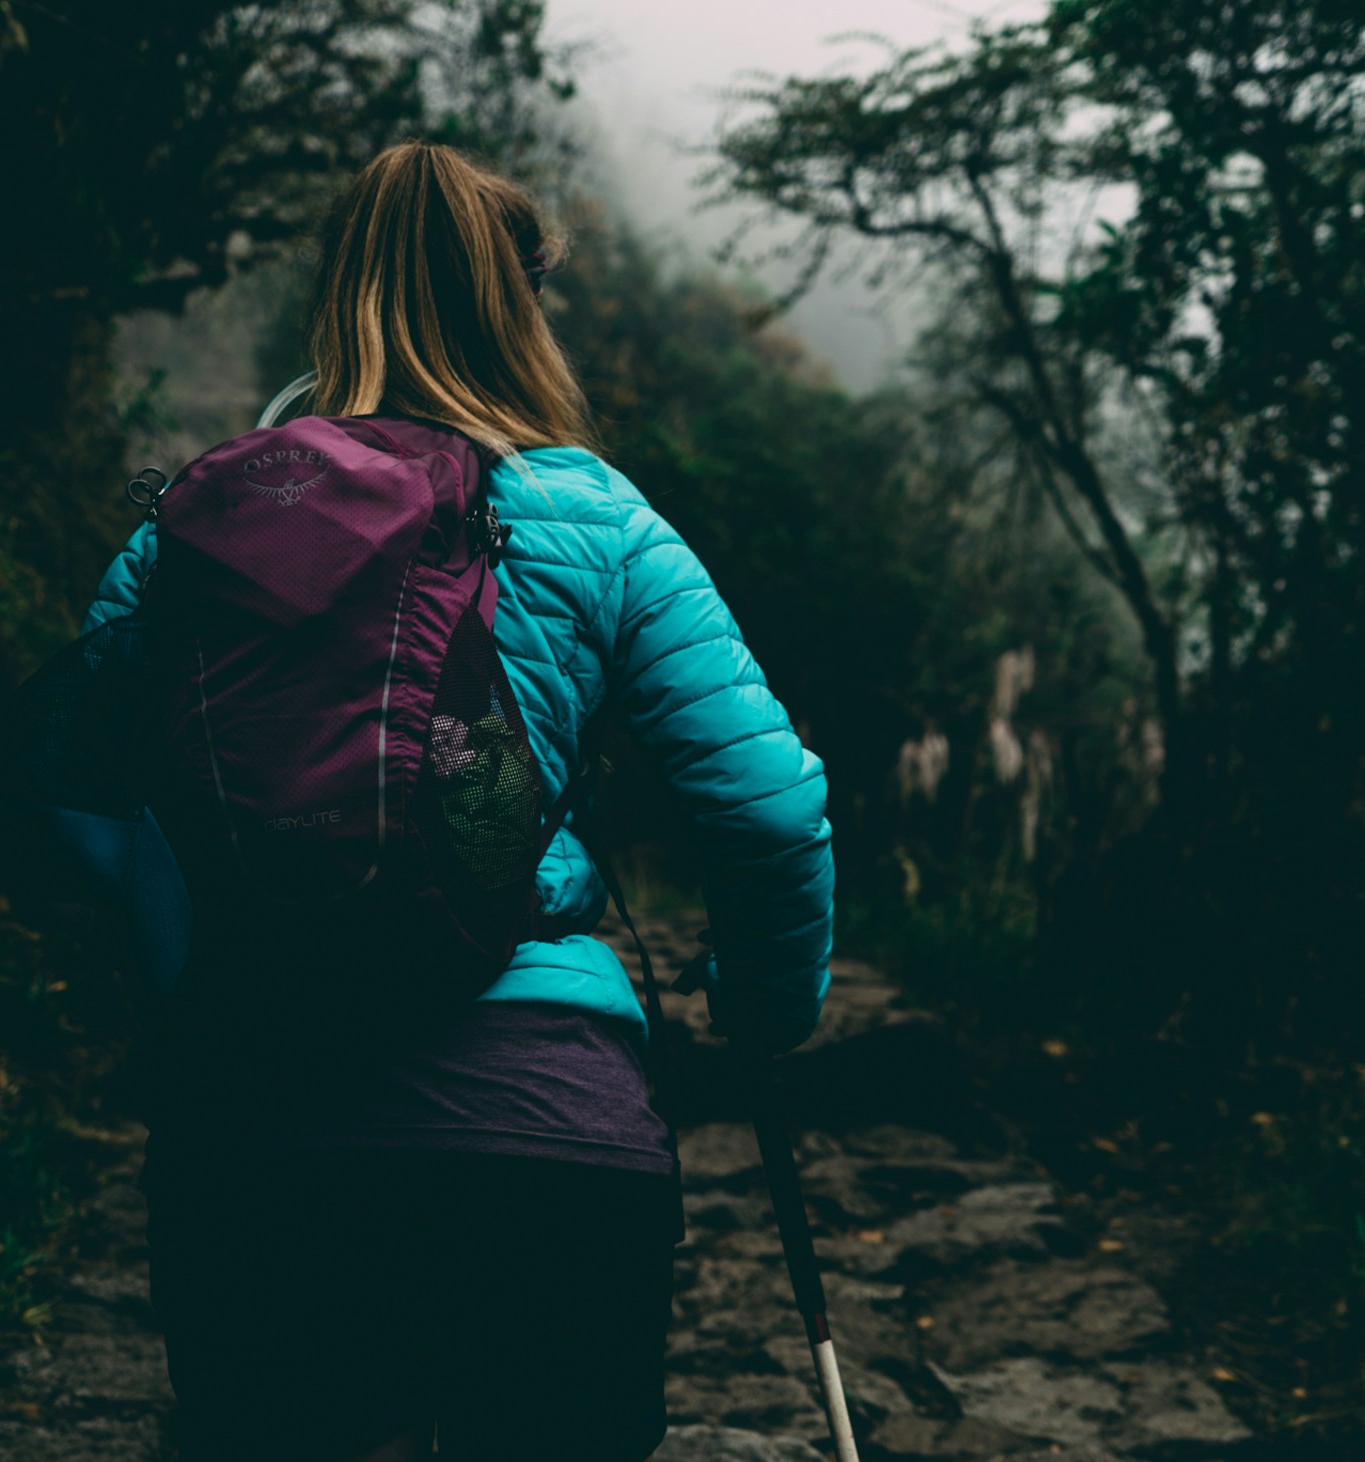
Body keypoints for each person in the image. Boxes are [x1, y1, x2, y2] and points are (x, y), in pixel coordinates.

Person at [78, 141, 835, 1462]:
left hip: (260, 1132)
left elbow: (85, 789)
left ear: (338, 291)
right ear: (515, 302)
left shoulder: (194, 527)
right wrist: (763, 1012)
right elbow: (768, 811)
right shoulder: (601, 518)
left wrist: (172, 988)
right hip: (548, 1139)